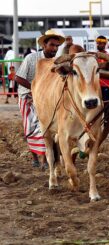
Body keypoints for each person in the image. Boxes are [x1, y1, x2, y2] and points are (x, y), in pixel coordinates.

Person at [15, 29, 65, 168]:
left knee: (48, 127)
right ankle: (35, 157)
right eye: (52, 45)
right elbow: (17, 77)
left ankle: (47, 159)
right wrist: (35, 90)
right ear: (44, 45)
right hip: (27, 95)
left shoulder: (57, 62)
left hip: (47, 98)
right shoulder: (31, 58)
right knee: (31, 127)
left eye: (56, 46)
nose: (54, 48)